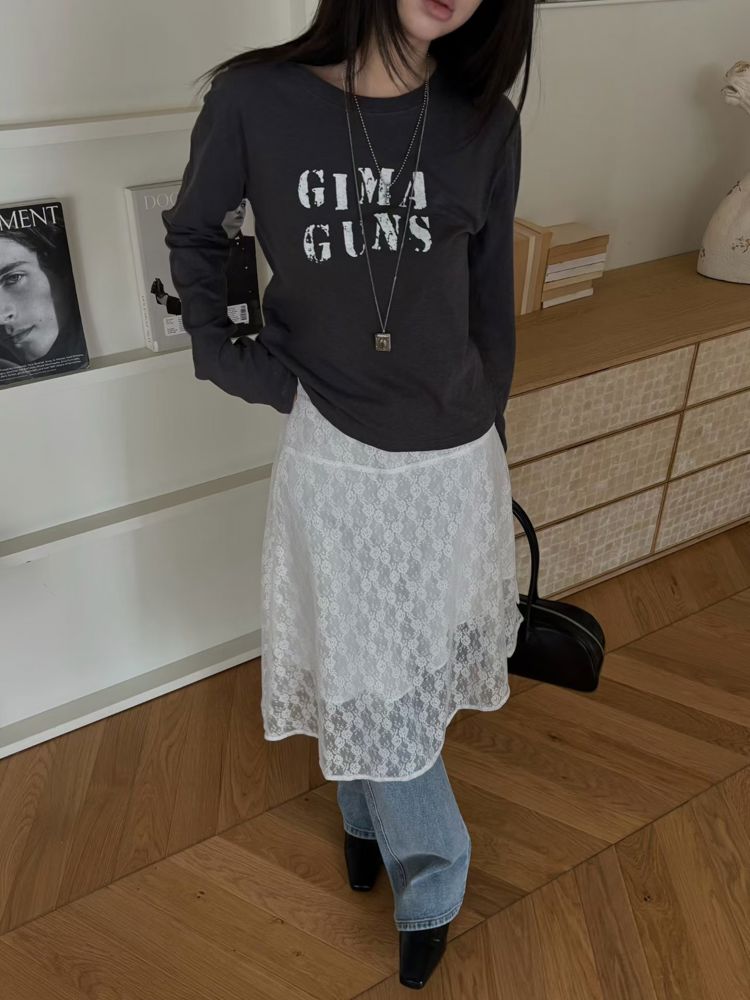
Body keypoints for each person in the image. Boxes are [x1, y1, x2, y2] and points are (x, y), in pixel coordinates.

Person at [162, 0, 535, 988]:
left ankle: (365, 816)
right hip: (337, 444)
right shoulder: (256, 100)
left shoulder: (483, 121)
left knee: (395, 659)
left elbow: (488, 293)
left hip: (454, 454)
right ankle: (436, 871)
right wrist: (228, 357)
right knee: (370, 658)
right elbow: (196, 230)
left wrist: (490, 413)